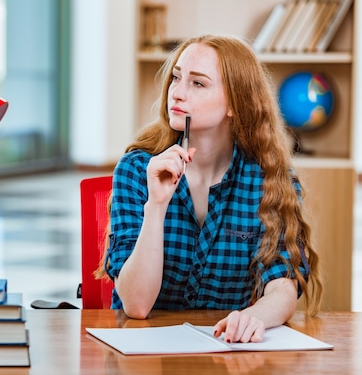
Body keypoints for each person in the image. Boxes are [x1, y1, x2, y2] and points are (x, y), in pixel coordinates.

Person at [100, 34, 322, 343]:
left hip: (226, 350)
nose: (176, 93)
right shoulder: (137, 169)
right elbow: (136, 306)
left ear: (235, 103)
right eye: (176, 78)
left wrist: (254, 316)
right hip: (143, 347)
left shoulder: (269, 180)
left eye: (198, 83)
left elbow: (282, 286)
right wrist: (156, 206)